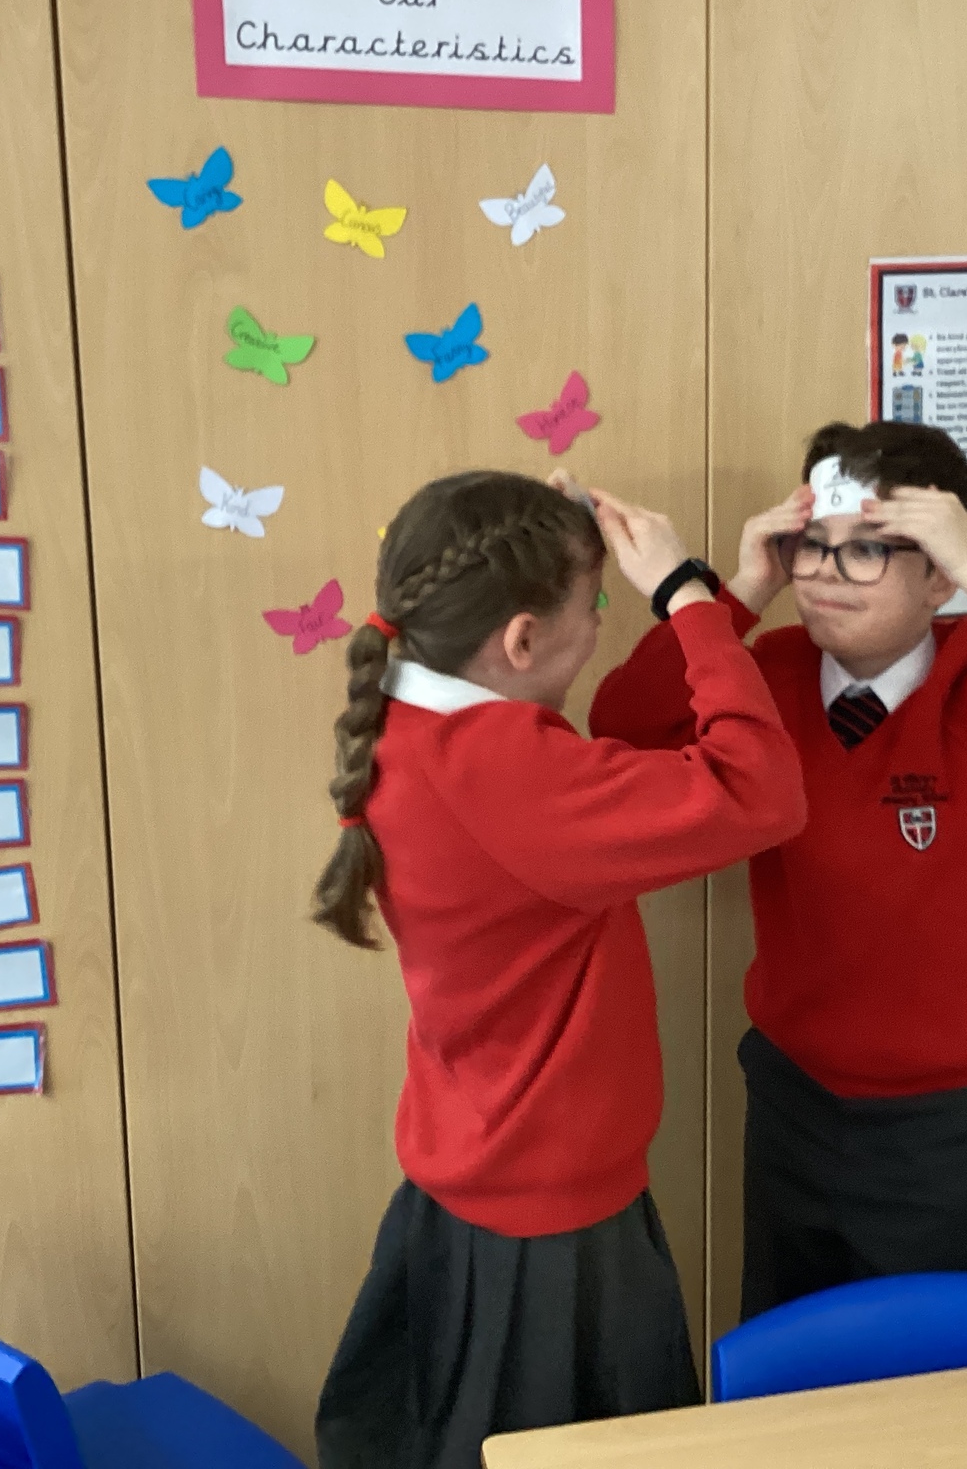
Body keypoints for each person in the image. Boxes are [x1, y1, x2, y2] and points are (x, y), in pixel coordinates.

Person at [588, 422, 967, 1320]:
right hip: (792, 1098)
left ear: (937, 574)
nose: (827, 574)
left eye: (867, 549)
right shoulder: (765, 677)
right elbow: (627, 724)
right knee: (789, 1343)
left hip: (942, 1124)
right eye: (813, 546)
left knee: (932, 1363)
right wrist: (740, 594)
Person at [313, 470, 806, 1467]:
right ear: (521, 642)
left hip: (480, 1180)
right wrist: (686, 595)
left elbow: (625, 729)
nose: (604, 623)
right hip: (548, 1225)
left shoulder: (423, 721)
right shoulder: (512, 771)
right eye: (596, 606)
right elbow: (762, 792)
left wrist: (736, 595)